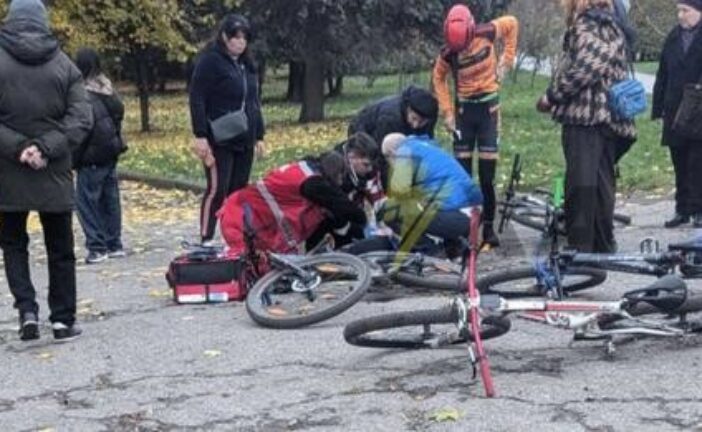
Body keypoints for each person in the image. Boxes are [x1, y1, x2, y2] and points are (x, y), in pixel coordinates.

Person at [0, 0, 93, 341]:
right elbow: (82, 118)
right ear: (43, 22)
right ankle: (62, 320)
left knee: (13, 243)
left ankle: (26, 309)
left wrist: (19, 148)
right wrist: (45, 148)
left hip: (7, 171)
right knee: (61, 248)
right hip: (53, 170)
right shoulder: (64, 65)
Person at [536, 0, 636, 253]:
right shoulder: (613, 23)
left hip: (586, 117)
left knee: (581, 185)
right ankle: (603, 244)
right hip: (609, 118)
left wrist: (551, 96)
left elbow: (586, 67)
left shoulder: (589, 24)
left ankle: (580, 248)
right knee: (602, 184)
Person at [432, 9, 519, 248]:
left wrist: (507, 60)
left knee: (487, 177)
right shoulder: (448, 53)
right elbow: (438, 78)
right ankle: (462, 229)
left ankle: (488, 228)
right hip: (464, 114)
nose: (463, 51)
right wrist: (447, 111)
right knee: (462, 176)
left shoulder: (488, 31)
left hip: (488, 112)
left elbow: (512, 23)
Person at [189, 14, 266, 245]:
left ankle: (232, 234)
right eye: (235, 37)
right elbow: (197, 97)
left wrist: (260, 135)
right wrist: (200, 134)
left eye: (244, 38)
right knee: (218, 188)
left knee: (238, 190)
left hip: (245, 135)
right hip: (219, 136)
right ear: (224, 36)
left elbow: (254, 101)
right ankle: (206, 237)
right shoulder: (211, 61)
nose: (240, 42)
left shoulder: (248, 65)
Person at [218, 152, 366, 256]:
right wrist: (363, 222)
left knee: (324, 215)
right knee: (255, 269)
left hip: (241, 213)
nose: (339, 182)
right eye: (339, 176)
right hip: (243, 221)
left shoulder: (304, 168)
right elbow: (341, 204)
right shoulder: (313, 183)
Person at [372, 133, 483, 255]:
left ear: (391, 153)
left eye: (387, 159)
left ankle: (430, 252)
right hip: (474, 213)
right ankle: (453, 246)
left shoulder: (404, 152)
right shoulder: (428, 148)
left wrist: (380, 205)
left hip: (457, 217)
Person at [73, 47, 127, 264]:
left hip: (91, 154)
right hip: (110, 150)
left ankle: (96, 246)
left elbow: (82, 129)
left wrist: (74, 159)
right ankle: (114, 243)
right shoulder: (107, 88)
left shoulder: (82, 93)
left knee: (86, 201)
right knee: (110, 199)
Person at [652, 0, 702, 228]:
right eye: (678, 11)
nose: (681, 16)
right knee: (679, 160)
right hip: (675, 109)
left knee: (697, 161)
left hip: (699, 109)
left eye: (686, 10)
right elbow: (662, 73)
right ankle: (682, 209)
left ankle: (698, 209)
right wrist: (658, 108)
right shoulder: (673, 37)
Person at [348, 85, 438, 188]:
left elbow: (426, 145)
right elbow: (382, 155)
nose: (416, 125)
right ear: (407, 108)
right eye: (414, 118)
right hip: (365, 131)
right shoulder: (390, 118)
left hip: (395, 129)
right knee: (371, 165)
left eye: (421, 122)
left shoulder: (429, 116)